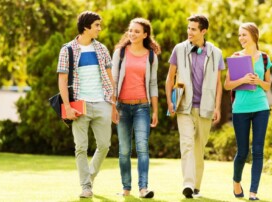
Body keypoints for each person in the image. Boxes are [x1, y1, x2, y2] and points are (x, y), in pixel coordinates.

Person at [165, 14, 224, 198]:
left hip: (205, 106)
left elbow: (218, 83)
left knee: (199, 147)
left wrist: (217, 107)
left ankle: (196, 185)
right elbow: (170, 77)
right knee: (187, 144)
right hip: (184, 105)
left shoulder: (215, 52)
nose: (189, 32)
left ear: (203, 31)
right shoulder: (179, 49)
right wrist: (170, 101)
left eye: (193, 29)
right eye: (188, 28)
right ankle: (188, 185)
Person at [57, 11, 114, 198]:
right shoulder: (68, 50)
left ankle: (89, 176)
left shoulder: (102, 49)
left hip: (102, 102)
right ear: (86, 27)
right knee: (80, 147)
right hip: (79, 104)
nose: (100, 28)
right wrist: (68, 107)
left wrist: (113, 103)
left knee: (104, 145)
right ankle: (86, 186)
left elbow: (109, 78)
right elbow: (62, 81)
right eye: (97, 25)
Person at [111, 18, 160, 198]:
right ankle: (126, 188)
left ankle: (143, 188)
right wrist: (113, 107)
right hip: (122, 107)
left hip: (142, 107)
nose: (132, 34)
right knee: (124, 150)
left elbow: (153, 84)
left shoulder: (151, 56)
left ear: (145, 35)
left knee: (142, 148)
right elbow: (113, 81)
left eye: (137, 31)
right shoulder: (120, 53)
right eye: (130, 30)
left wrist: (155, 110)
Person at [224, 22, 271, 201]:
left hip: (261, 107)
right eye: (239, 35)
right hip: (241, 109)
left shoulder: (265, 58)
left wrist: (258, 81)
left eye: (244, 34)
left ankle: (253, 193)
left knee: (258, 150)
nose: (241, 38)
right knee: (242, 151)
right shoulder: (236, 57)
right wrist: (243, 79)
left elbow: (268, 86)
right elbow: (227, 84)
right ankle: (236, 182)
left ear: (254, 35)